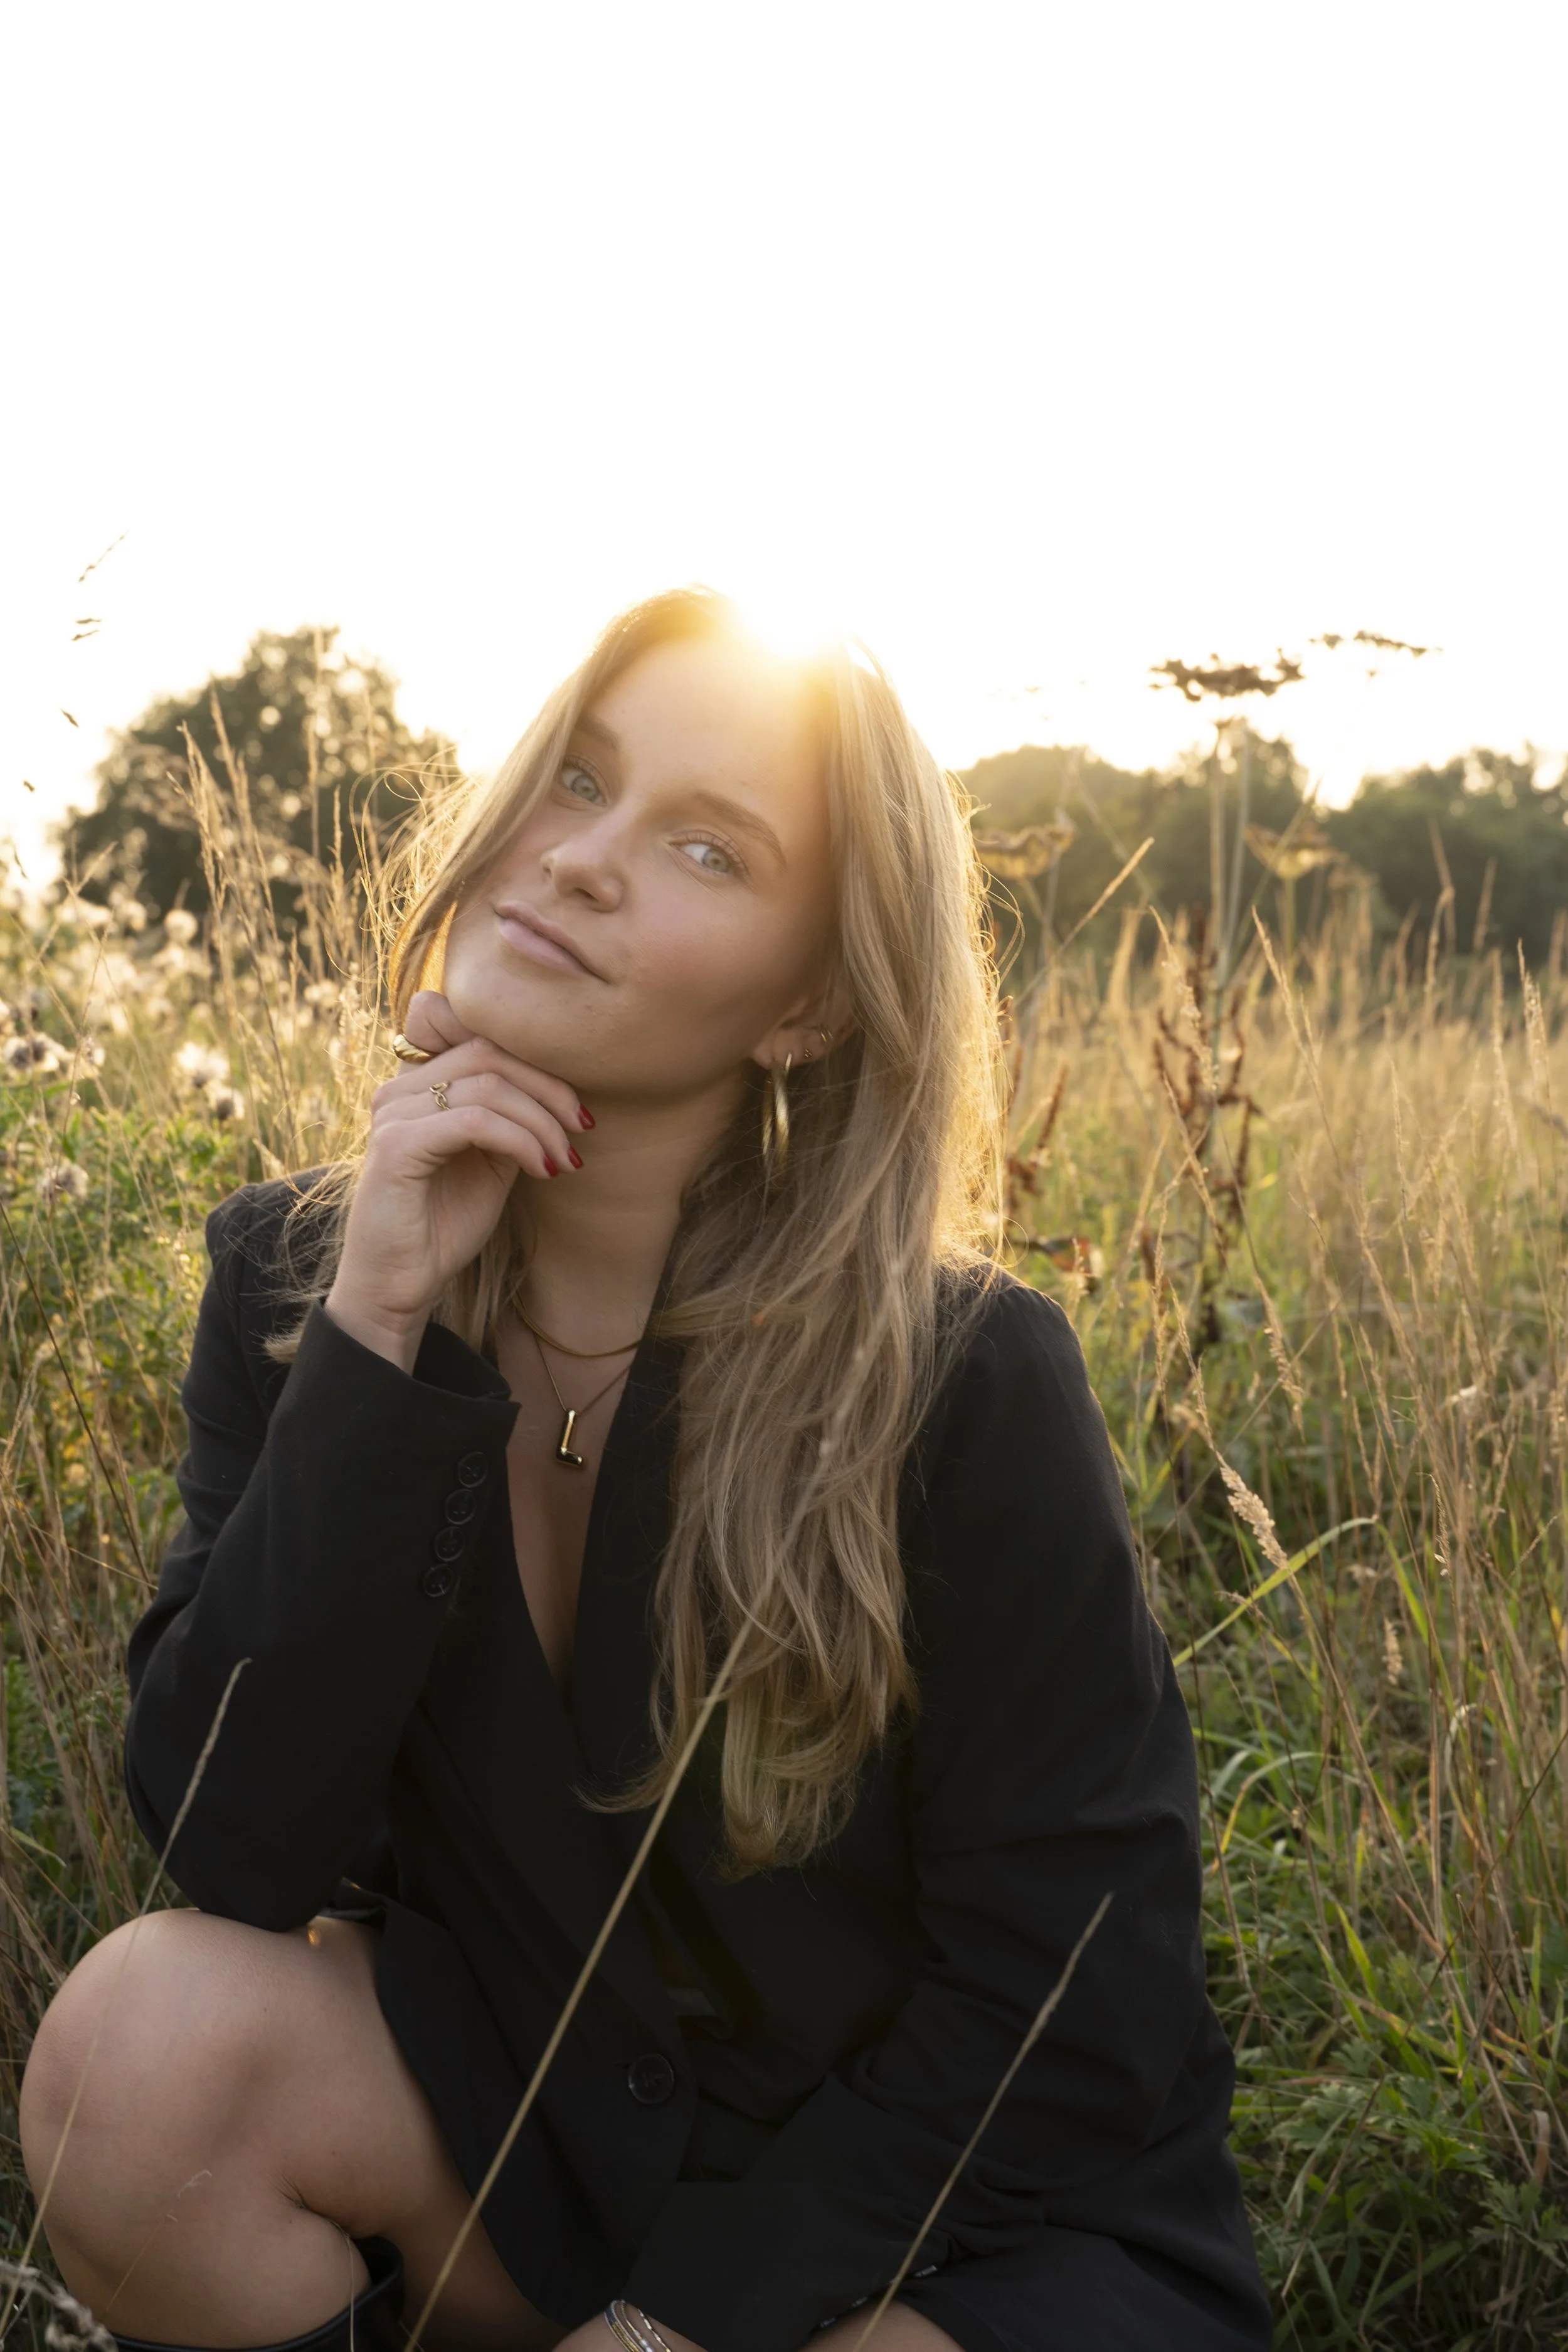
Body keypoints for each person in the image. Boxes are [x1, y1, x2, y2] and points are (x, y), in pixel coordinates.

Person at [19, 590, 1271, 2352]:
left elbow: (1071, 1985)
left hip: (936, 2222)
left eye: (705, 846)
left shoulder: (961, 1376)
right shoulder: (302, 1282)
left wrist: (683, 2320)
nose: (583, 859)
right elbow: (235, 1834)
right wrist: (379, 1329)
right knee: (140, 2061)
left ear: (809, 1004)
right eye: (579, 778)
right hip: (550, 2149)